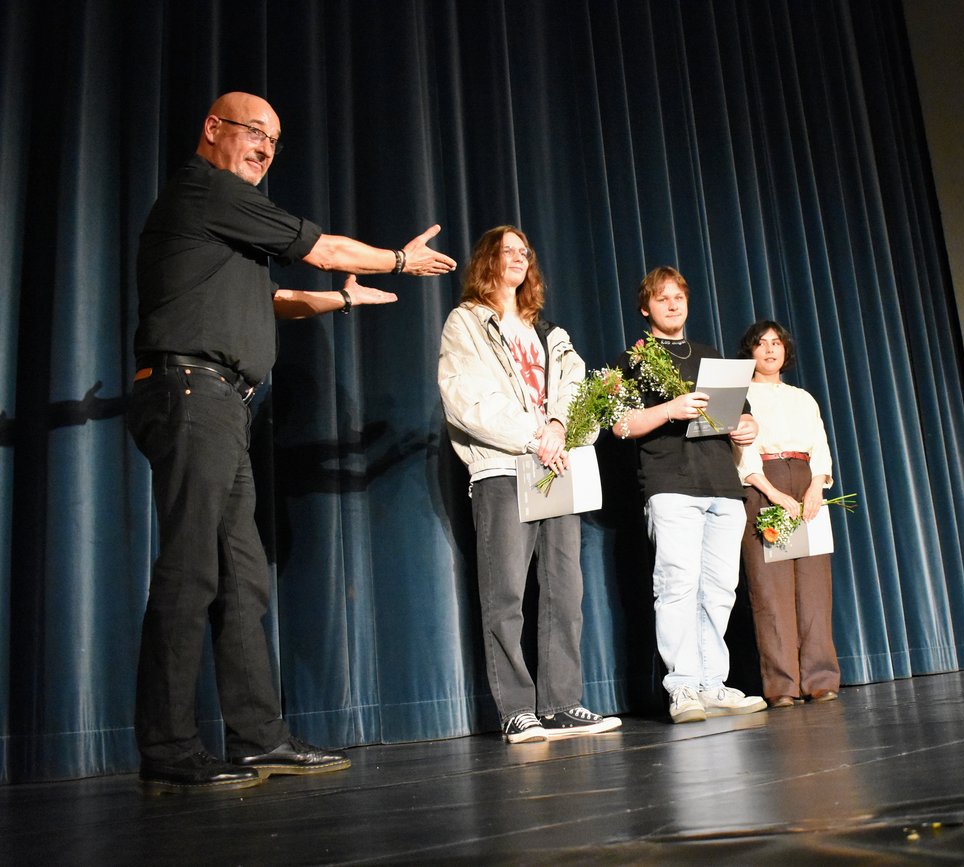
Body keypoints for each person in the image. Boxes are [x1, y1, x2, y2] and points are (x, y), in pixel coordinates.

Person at [129, 91, 457, 794]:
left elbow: (273, 300)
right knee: (191, 572)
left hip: (221, 405)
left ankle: (258, 736)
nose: (266, 148)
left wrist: (341, 299)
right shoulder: (206, 190)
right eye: (255, 132)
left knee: (242, 575)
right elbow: (322, 248)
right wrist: (397, 261)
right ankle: (168, 744)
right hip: (192, 395)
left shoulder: (224, 227)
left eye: (275, 140)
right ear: (212, 129)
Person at [437, 226, 621, 744]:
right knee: (507, 593)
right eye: (507, 251)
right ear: (487, 262)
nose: (518, 258)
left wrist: (560, 429)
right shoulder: (466, 323)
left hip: (556, 463)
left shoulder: (551, 333)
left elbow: (573, 386)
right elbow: (465, 399)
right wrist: (532, 436)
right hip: (502, 466)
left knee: (565, 590)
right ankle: (518, 709)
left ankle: (562, 702)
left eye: (524, 252)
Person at [614, 266, 767, 723]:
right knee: (677, 586)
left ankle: (711, 684)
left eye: (678, 296)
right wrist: (670, 409)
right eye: (662, 298)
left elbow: (744, 417)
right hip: (671, 485)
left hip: (722, 485)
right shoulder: (633, 360)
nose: (673, 304)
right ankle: (682, 688)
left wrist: (747, 428)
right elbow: (621, 425)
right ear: (646, 308)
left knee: (720, 589)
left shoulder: (710, 355)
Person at [733, 320, 841, 707]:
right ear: (750, 352)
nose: (769, 349)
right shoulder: (742, 394)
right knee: (771, 590)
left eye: (776, 343)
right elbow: (742, 453)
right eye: (760, 343)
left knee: (814, 588)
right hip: (765, 483)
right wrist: (772, 492)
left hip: (806, 482)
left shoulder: (802, 398)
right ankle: (781, 686)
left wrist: (816, 486)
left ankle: (821, 678)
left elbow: (821, 445)